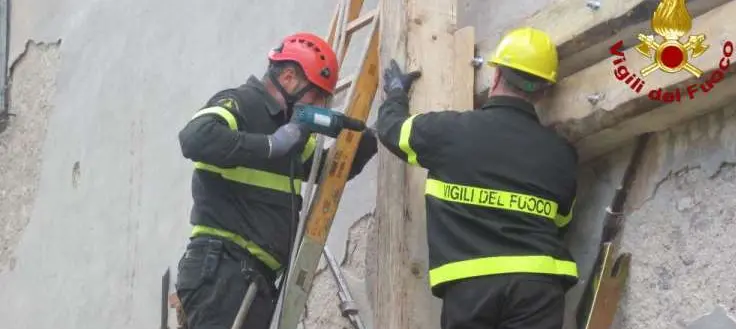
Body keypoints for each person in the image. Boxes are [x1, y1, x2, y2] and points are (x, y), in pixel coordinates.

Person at [376, 27, 580, 329]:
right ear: (544, 92)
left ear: (495, 76)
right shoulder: (563, 154)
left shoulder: (449, 132)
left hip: (471, 285)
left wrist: (395, 93)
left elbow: (392, 129)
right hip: (538, 286)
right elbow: (562, 221)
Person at [174, 32, 378, 329]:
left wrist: (379, 131)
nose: (321, 105)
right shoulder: (242, 102)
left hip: (256, 280)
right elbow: (194, 139)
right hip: (222, 270)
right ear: (288, 77)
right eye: (317, 95)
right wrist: (272, 144)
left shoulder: (292, 131)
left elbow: (327, 172)